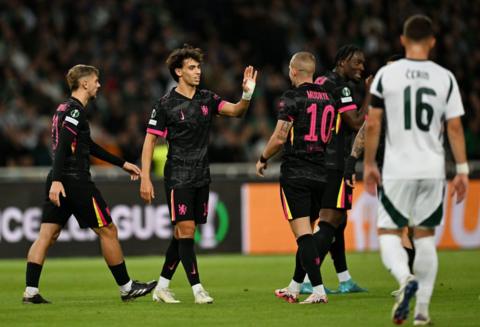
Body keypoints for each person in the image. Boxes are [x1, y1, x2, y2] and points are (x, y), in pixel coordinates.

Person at [363, 15, 469, 325]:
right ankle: (422, 312)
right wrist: (461, 169)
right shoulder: (444, 77)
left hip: (397, 168)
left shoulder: (387, 75)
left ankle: (404, 277)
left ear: (402, 41)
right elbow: (455, 128)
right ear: (433, 41)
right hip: (432, 168)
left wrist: (369, 163)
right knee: (425, 238)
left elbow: (373, 124)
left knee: (388, 233)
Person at [23, 65, 157, 304]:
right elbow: (64, 144)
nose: (99, 85)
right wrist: (57, 181)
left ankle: (30, 291)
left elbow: (88, 145)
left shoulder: (62, 108)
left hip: (59, 177)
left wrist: (121, 163)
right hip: (74, 180)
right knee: (108, 230)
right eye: (96, 80)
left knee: (47, 234)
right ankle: (127, 287)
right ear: (84, 83)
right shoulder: (76, 111)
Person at [140, 44, 257, 304]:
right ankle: (197, 289)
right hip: (178, 175)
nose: (198, 71)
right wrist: (146, 177)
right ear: (178, 72)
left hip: (201, 174)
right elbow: (149, 142)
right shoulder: (165, 105)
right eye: (191, 67)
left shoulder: (208, 99)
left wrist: (247, 94)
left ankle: (161, 286)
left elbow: (237, 111)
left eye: (199, 67)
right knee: (187, 230)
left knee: (181, 234)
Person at [256, 51, 336, 304]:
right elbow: (330, 136)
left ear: (293, 71)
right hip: (321, 173)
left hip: (296, 173)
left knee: (303, 237)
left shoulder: (292, 97)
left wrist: (263, 157)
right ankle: (294, 287)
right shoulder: (330, 99)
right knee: (307, 235)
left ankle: (319, 290)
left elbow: (280, 137)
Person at [301, 45, 369, 294]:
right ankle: (305, 279)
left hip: (317, 158)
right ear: (341, 62)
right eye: (357, 62)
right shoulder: (341, 87)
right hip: (335, 161)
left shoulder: (320, 81)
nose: (361, 67)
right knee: (332, 219)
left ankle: (344, 279)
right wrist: (371, 94)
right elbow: (355, 122)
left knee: (339, 220)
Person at [344, 54, 417, 283]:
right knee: (405, 227)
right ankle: (410, 276)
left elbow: (368, 127)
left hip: (403, 168)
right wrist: (351, 161)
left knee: (402, 228)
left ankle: (407, 278)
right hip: (396, 168)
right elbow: (367, 128)